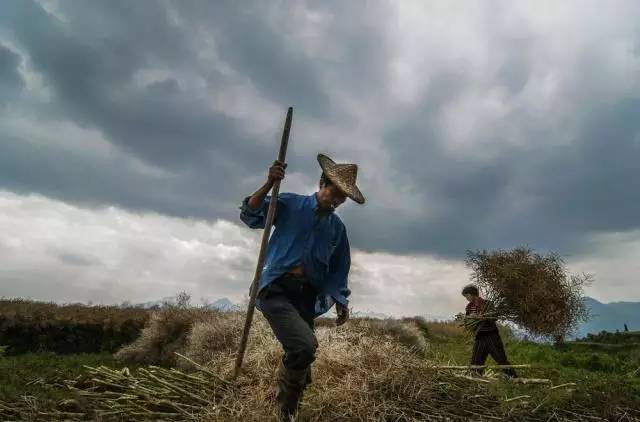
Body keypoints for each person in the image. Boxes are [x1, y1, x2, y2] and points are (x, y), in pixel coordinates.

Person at [240, 153, 365, 420]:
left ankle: (290, 406)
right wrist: (268, 184)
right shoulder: (290, 204)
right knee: (304, 347)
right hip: (275, 289)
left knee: (304, 362)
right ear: (322, 184)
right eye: (335, 192)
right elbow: (252, 214)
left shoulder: (336, 229)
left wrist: (341, 301)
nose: (338, 200)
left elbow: (339, 269)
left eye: (343, 197)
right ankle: (286, 412)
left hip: (305, 298)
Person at [461, 284, 517, 378]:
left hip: (491, 335)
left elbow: (494, 318)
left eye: (467, 296)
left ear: (472, 294)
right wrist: (470, 320)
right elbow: (467, 321)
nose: (466, 298)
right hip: (479, 336)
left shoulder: (487, 304)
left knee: (501, 359)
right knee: (476, 361)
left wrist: (482, 317)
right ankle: (476, 379)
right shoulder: (469, 307)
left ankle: (514, 378)